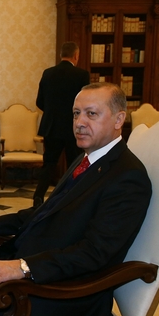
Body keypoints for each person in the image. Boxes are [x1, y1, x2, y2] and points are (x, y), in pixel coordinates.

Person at [0, 83, 152, 316]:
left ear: (119, 120)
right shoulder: (86, 159)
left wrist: (24, 267)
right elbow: (46, 211)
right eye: (76, 114)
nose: (79, 123)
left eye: (91, 114)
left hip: (63, 297)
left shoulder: (128, 177)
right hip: (36, 273)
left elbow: (93, 253)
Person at [33, 42, 91, 207]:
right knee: (75, 162)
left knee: (49, 163)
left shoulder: (48, 73)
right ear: (76, 56)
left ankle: (38, 196)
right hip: (74, 127)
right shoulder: (82, 75)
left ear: (61, 55)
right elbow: (86, 102)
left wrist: (53, 113)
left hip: (51, 126)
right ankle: (72, 196)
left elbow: (39, 102)